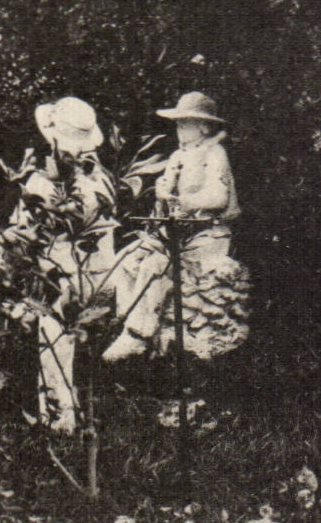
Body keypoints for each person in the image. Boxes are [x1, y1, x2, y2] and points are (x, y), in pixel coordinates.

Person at [0, 97, 119, 433]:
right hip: (86, 274)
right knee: (22, 267)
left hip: (78, 281)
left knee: (49, 319)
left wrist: (30, 196)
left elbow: (36, 231)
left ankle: (60, 417)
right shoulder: (98, 177)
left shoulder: (69, 185)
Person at [103, 91, 249, 362]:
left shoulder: (215, 153)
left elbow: (218, 197)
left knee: (153, 267)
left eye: (186, 123)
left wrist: (186, 201)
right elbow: (165, 185)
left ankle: (139, 334)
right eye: (178, 123)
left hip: (207, 235)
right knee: (126, 259)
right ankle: (125, 320)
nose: (179, 128)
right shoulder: (178, 156)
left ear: (204, 127)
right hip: (175, 230)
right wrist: (163, 190)